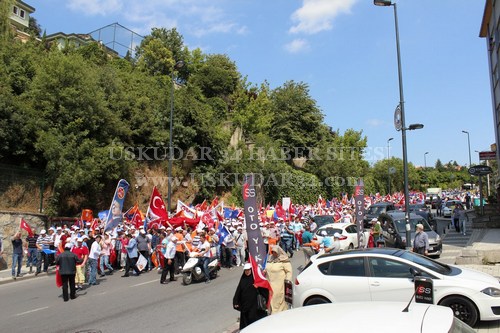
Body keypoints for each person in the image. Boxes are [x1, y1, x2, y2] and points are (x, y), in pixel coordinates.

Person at [233, 262, 269, 330]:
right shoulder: (243, 278)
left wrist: (258, 287)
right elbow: (239, 290)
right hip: (245, 305)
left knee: (253, 322)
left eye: (248, 270)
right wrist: (235, 301)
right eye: (246, 270)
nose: (247, 272)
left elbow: (264, 289)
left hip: (254, 305)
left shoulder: (255, 278)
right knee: (246, 322)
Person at [265, 245, 292, 314]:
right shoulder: (270, 259)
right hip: (269, 284)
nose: (274, 254)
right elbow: (267, 268)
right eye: (273, 252)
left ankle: (277, 314)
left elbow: (289, 272)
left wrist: (287, 282)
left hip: (279, 285)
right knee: (270, 299)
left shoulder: (284, 261)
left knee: (278, 299)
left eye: (275, 252)